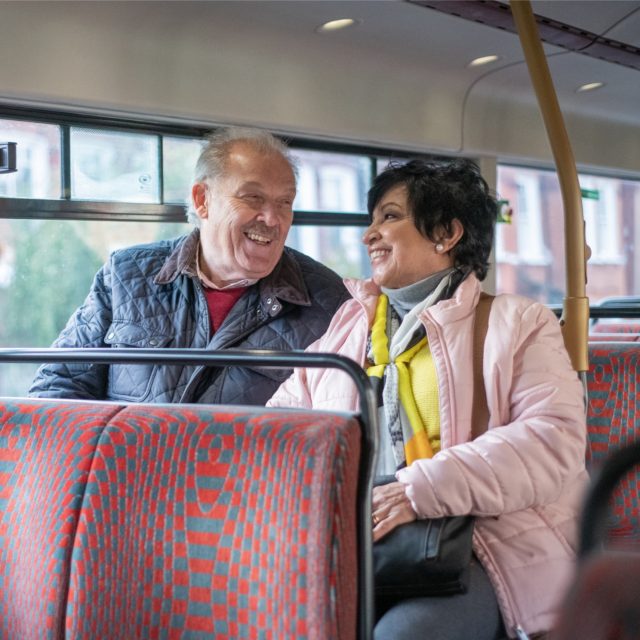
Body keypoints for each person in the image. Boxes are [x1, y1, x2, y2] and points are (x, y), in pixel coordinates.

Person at [267, 158, 587, 639]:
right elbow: (284, 422)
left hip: (478, 543)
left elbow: (552, 442)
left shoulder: (517, 323)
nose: (368, 235)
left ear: (446, 233)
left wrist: (419, 491)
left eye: (389, 217)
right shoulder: (349, 328)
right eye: (371, 219)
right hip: (359, 537)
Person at [29, 127, 349, 405]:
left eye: (285, 202)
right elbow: (58, 387)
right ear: (202, 200)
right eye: (253, 198)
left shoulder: (329, 303)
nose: (272, 219)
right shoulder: (125, 276)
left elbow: (342, 430)